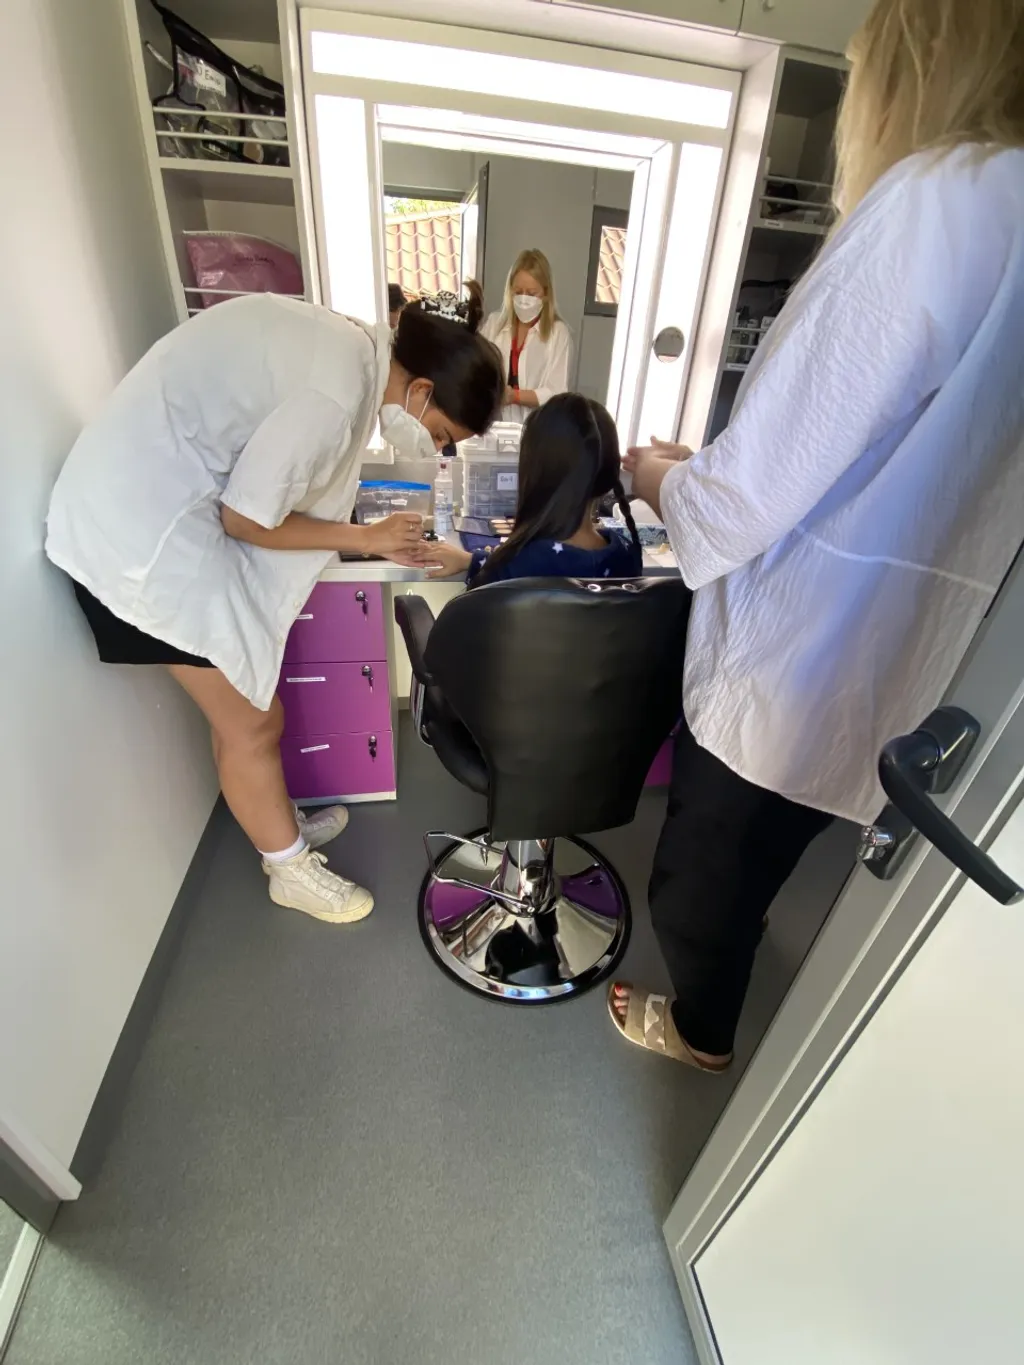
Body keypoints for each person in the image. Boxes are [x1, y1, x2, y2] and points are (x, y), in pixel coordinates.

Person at [609, 0, 1024, 1070]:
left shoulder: (938, 201)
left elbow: (730, 513)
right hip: (924, 669)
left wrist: (658, 476)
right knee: (787, 840)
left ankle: (700, 1034)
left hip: (795, 659)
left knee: (698, 884)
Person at [46, 286, 504, 925]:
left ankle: (277, 824)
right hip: (138, 542)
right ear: (423, 390)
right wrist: (366, 538)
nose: (435, 447)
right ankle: (288, 870)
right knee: (254, 723)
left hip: (156, 511)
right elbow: (246, 519)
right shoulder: (337, 391)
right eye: (440, 433)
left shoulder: (351, 351)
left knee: (252, 708)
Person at [425, 394, 641, 585]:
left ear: (534, 471)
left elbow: (498, 585)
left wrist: (481, 563)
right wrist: (473, 560)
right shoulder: (625, 556)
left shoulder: (515, 564)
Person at [481, 249, 572, 425]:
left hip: (537, 428)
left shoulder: (558, 333)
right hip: (493, 425)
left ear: (546, 294)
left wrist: (513, 396)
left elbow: (556, 392)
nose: (524, 299)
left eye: (531, 293)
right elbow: (479, 370)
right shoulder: (494, 324)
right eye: (518, 291)